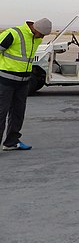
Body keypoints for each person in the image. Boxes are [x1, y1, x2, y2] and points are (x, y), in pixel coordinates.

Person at [0, 18, 51, 151]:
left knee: (18, 113)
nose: (42, 37)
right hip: (5, 81)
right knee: (1, 114)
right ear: (35, 28)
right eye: (42, 34)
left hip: (22, 83)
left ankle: (11, 142)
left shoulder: (37, 38)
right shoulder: (13, 33)